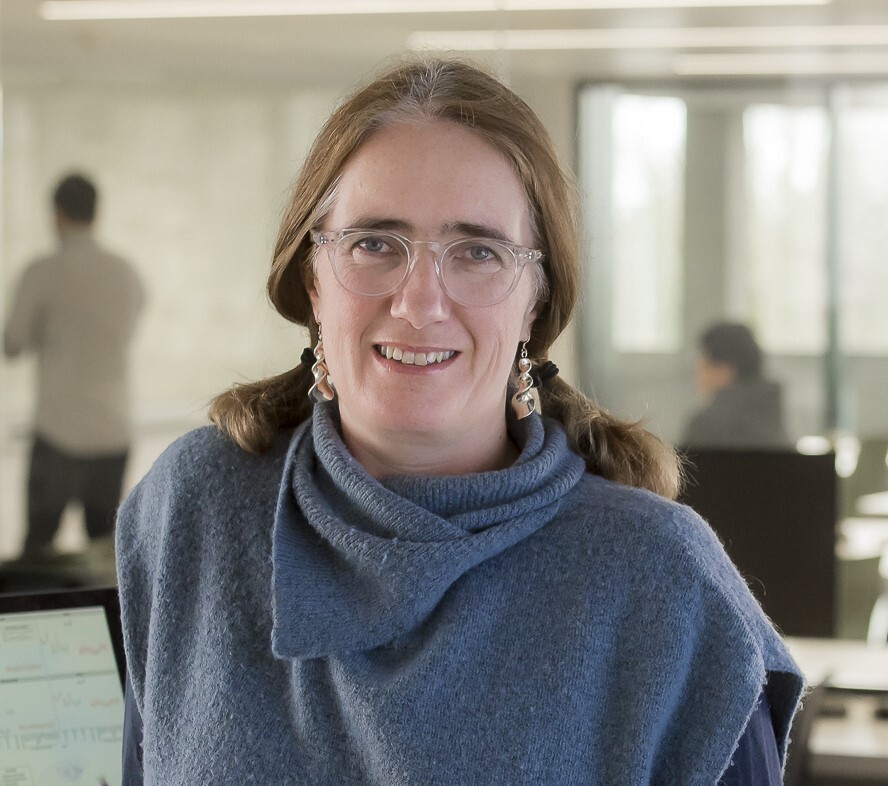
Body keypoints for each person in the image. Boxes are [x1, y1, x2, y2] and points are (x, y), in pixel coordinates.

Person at [116, 58, 803, 784]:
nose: (419, 302)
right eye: (375, 243)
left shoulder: (661, 580)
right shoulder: (195, 508)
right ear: (314, 278)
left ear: (535, 301)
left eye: (477, 252)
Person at [4, 173, 145, 562]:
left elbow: (12, 344)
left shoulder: (42, 271)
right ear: (96, 214)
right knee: (103, 556)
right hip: (112, 434)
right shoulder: (126, 273)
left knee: (36, 555)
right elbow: (126, 331)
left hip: (58, 435)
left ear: (56, 214)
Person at [684, 321, 790, 450]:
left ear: (725, 369)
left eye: (702, 363)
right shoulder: (772, 416)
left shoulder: (707, 426)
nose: (698, 374)